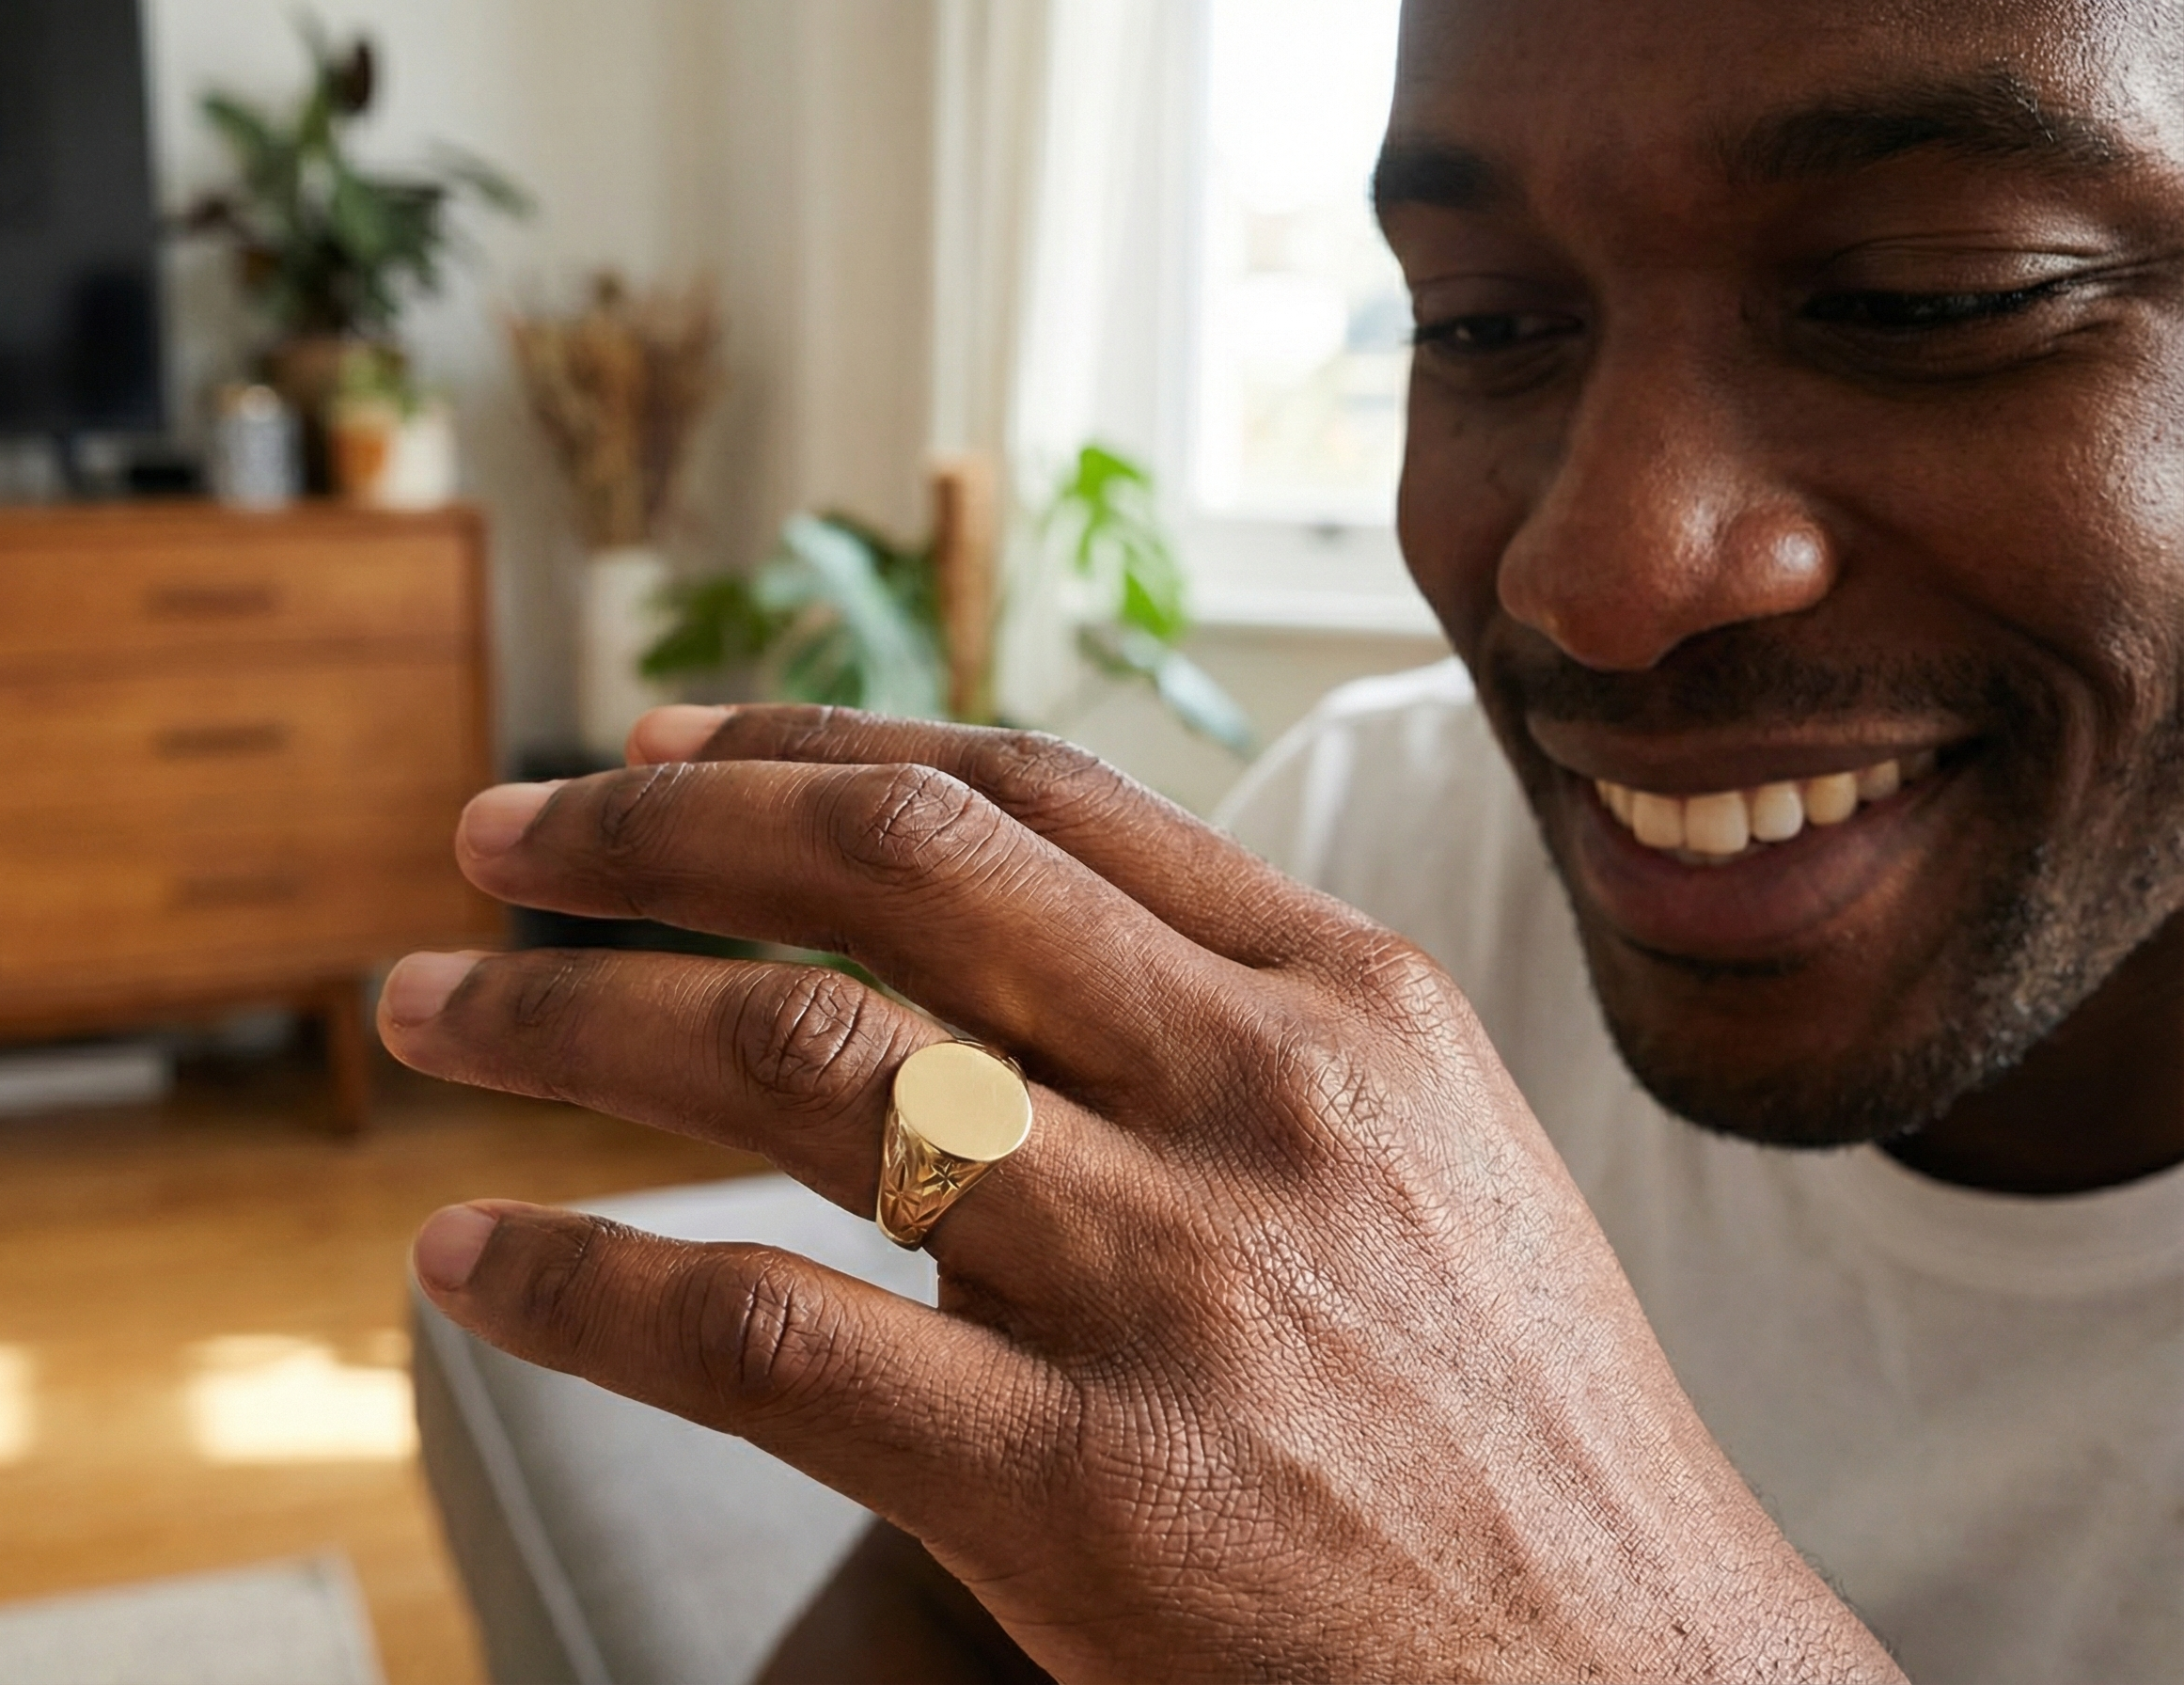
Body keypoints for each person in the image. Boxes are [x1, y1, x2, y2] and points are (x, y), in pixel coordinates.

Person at [378, 0, 2184, 1677]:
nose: (1596, 579)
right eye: (1480, 320)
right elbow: (963, 1595)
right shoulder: (1380, 839)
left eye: (1930, 296)